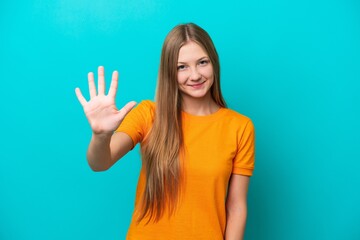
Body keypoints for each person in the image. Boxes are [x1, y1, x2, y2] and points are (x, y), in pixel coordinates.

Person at [75, 23, 255, 240]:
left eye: (202, 62)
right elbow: (100, 163)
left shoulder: (239, 127)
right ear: (169, 71)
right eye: (182, 67)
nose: (195, 75)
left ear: (214, 63)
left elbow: (236, 207)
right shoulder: (148, 114)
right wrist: (100, 136)